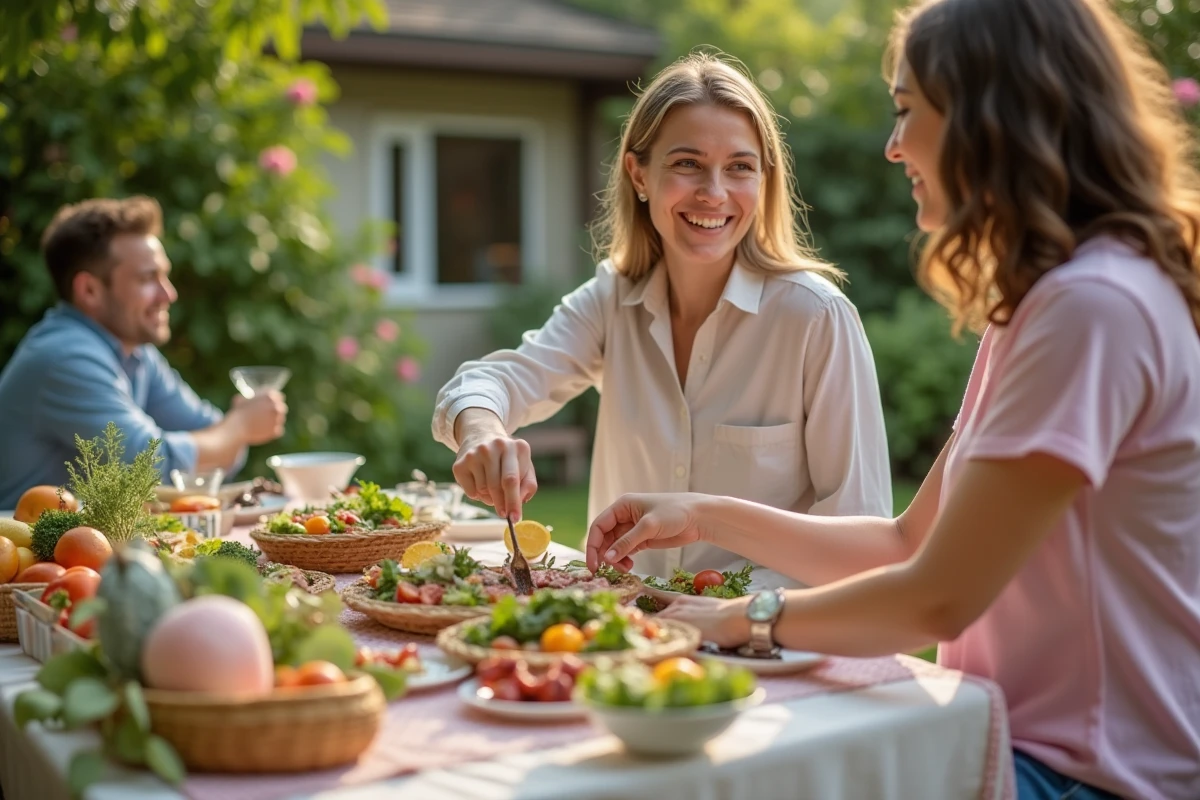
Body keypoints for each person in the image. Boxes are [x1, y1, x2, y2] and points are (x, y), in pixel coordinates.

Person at [585, 1, 1200, 798]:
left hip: (1080, 774)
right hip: (1004, 735)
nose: (893, 144)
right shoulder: (1045, 304)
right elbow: (911, 541)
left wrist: (737, 621)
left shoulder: (1093, 309)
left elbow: (936, 599)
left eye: (908, 111)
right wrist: (702, 514)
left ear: (988, 116)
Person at [433, 51, 892, 588]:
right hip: (626, 639)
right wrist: (482, 429)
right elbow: (493, 381)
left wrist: (736, 608)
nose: (714, 192)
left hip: (764, 642)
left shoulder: (817, 318)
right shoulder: (612, 298)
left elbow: (864, 543)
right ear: (639, 173)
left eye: (739, 167)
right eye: (687, 163)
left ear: (764, 179)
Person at [0, 196, 288, 508]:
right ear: (89, 291)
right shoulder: (65, 357)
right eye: (148, 278)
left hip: (90, 549)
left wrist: (231, 433)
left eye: (165, 275)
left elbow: (213, 442)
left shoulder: (135, 352)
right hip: (24, 552)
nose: (169, 293)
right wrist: (240, 426)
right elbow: (150, 468)